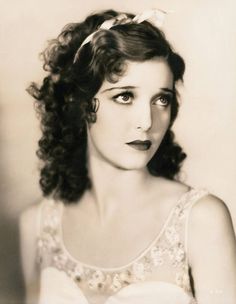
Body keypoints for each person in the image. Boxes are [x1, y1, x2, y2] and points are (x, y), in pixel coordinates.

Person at [19, 8, 236, 304]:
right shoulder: (36, 226)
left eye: (162, 99)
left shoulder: (202, 222)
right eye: (125, 96)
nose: (146, 122)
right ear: (81, 104)